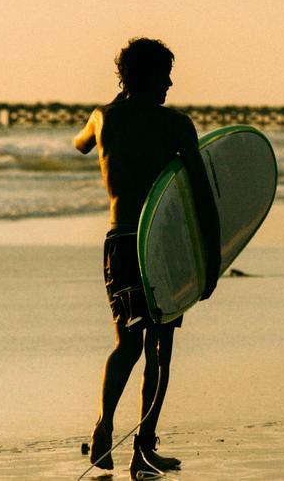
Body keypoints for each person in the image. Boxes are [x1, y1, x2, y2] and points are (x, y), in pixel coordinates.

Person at [75, 37, 202, 476]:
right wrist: (209, 262)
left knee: (126, 343)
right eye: (163, 74)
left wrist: (114, 100)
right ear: (146, 76)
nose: (170, 82)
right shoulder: (177, 125)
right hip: (162, 245)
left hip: (121, 241)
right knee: (159, 349)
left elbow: (79, 145)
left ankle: (105, 429)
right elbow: (202, 194)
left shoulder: (103, 119)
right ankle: (143, 448)